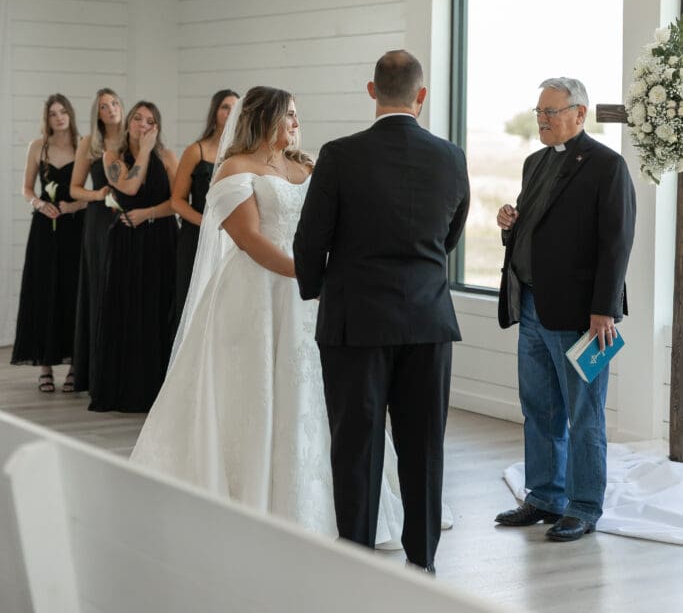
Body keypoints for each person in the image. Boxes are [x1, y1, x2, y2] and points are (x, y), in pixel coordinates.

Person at [130, 87, 404, 547]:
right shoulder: (235, 170)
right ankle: (251, 496)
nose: (296, 123)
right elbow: (250, 239)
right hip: (258, 290)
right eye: (287, 116)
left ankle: (332, 506)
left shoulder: (308, 164)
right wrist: (307, 272)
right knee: (256, 390)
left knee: (316, 394)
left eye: (297, 114)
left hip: (312, 296)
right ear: (263, 120)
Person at [293, 50, 470, 573]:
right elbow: (450, 235)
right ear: (422, 96)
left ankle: (358, 564)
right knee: (424, 448)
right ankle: (424, 564)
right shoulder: (451, 156)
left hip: (355, 322)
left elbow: (309, 241)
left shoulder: (340, 155)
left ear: (372, 91)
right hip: (428, 320)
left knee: (357, 448)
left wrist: (320, 289)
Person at [494, 78, 636, 542]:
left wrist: (604, 310)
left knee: (584, 413)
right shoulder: (535, 162)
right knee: (538, 408)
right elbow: (538, 229)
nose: (542, 120)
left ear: (580, 113)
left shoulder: (606, 166)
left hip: (582, 315)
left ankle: (584, 505)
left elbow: (616, 245)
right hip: (533, 306)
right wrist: (510, 226)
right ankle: (543, 497)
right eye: (539, 111)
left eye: (551, 112)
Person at [88, 101, 178, 413]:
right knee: (126, 309)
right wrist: (143, 150)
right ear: (128, 123)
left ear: (157, 126)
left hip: (161, 240)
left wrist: (149, 214)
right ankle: (124, 389)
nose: (142, 125)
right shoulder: (111, 156)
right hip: (126, 241)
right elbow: (129, 185)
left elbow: (178, 201)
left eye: (150, 120)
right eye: (137, 118)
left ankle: (157, 391)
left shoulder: (167, 157)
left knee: (156, 311)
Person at [12, 94, 86, 392]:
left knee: (72, 291)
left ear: (70, 114)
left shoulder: (84, 145)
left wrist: (74, 207)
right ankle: (44, 365)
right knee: (43, 290)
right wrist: (39, 203)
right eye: (53, 113)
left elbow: (96, 191)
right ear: (47, 118)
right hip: (45, 227)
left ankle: (73, 366)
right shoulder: (37, 147)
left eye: (63, 111)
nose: (59, 117)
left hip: (74, 227)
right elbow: (27, 187)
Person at [70, 88, 125, 393]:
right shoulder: (89, 143)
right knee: (98, 289)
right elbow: (75, 188)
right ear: (98, 114)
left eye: (115, 103)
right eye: (104, 106)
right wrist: (97, 195)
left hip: (128, 219)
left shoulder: (132, 139)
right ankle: (94, 371)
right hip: (99, 219)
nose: (111, 109)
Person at [171, 89, 239, 327]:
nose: (230, 113)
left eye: (235, 107)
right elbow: (177, 200)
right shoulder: (196, 150)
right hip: (196, 234)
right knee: (192, 298)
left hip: (232, 237)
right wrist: (206, 223)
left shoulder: (242, 152)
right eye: (225, 107)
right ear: (215, 112)